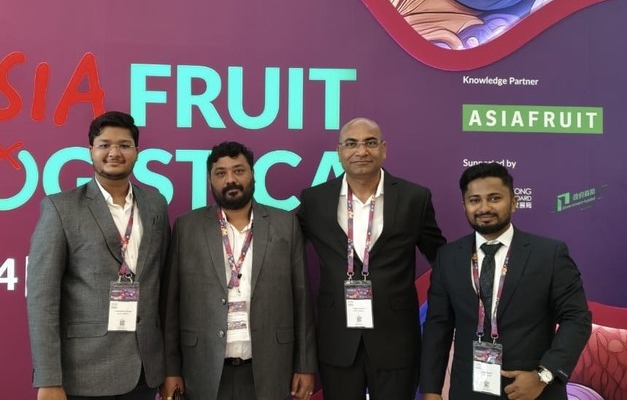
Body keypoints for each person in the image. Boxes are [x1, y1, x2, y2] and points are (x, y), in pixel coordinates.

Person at [297, 117, 446, 400]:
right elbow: (285, 249)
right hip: (337, 338)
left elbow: (441, 258)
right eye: (351, 144)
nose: (361, 151)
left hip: (396, 338)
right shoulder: (315, 200)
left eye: (370, 143)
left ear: (384, 149)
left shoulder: (414, 198)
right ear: (339, 151)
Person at [27, 111, 171, 400]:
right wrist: (48, 378)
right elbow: (43, 300)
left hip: (145, 372)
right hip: (85, 373)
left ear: (136, 151)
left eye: (124, 145)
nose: (114, 152)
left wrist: (169, 367)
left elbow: (164, 287)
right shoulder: (61, 208)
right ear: (91, 151)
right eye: (105, 145)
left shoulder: (155, 204)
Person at [419, 162, 592, 400]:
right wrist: (431, 390)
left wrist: (543, 375)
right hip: (469, 391)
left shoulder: (549, 254)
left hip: (533, 391)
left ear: (513, 202)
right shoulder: (448, 257)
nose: (484, 207)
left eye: (494, 198)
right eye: (475, 200)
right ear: (464, 206)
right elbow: (438, 326)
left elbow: (577, 319)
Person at [161, 141, 317, 400]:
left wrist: (305, 364)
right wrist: (170, 370)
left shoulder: (285, 224)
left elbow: (302, 300)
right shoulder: (187, 227)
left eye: (239, 170)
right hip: (203, 370)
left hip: (269, 368)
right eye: (220, 173)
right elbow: (171, 306)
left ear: (253, 174)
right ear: (210, 180)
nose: (230, 180)